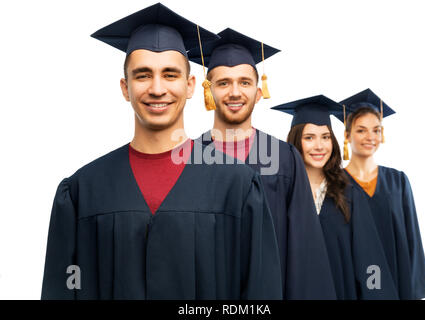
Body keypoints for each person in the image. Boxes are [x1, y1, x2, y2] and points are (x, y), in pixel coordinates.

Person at [41, 3, 282, 300]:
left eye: (170, 75)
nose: (157, 89)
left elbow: (260, 294)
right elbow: (65, 286)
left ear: (191, 85)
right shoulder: (82, 191)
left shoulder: (238, 186)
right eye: (143, 75)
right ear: (125, 87)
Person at [189, 28, 336, 299]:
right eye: (223, 83)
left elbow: (305, 252)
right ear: (207, 92)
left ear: (258, 92)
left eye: (244, 82)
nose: (235, 92)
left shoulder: (285, 158)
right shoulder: (188, 158)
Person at [272, 94, 399, 299]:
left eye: (325, 137)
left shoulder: (349, 192)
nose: (320, 146)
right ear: (296, 142)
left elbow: (369, 258)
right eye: (309, 137)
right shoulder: (279, 193)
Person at [333, 88, 425, 299]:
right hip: (352, 288)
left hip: (396, 283)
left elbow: (412, 240)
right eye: (361, 130)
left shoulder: (398, 181)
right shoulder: (334, 184)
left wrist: (414, 291)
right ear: (347, 135)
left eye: (376, 130)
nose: (370, 137)